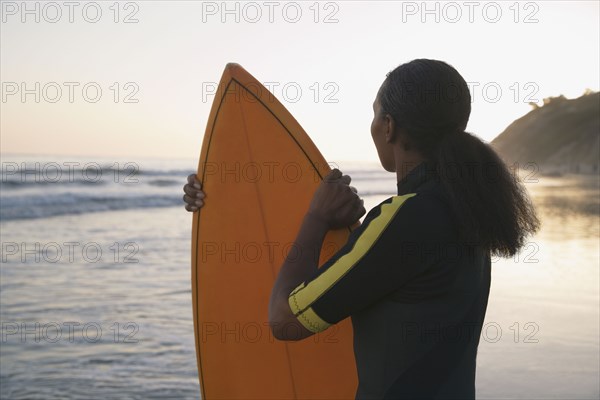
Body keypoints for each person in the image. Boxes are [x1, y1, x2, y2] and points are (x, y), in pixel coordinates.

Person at [183, 59, 540, 399]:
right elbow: (384, 276)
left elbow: (284, 321)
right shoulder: (466, 208)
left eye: (374, 114)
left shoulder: (407, 218)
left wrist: (317, 219)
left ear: (389, 126)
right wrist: (222, 199)